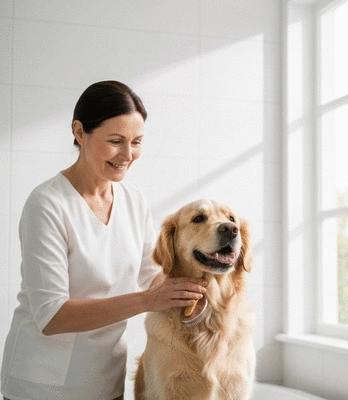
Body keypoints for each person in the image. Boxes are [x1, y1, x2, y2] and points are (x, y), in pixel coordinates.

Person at [0, 80, 207, 400]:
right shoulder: (47, 204)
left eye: (136, 142)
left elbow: (150, 275)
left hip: (106, 380)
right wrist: (148, 301)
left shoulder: (132, 199)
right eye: (116, 141)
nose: (128, 154)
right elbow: (51, 316)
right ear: (80, 132)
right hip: (43, 386)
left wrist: (190, 294)